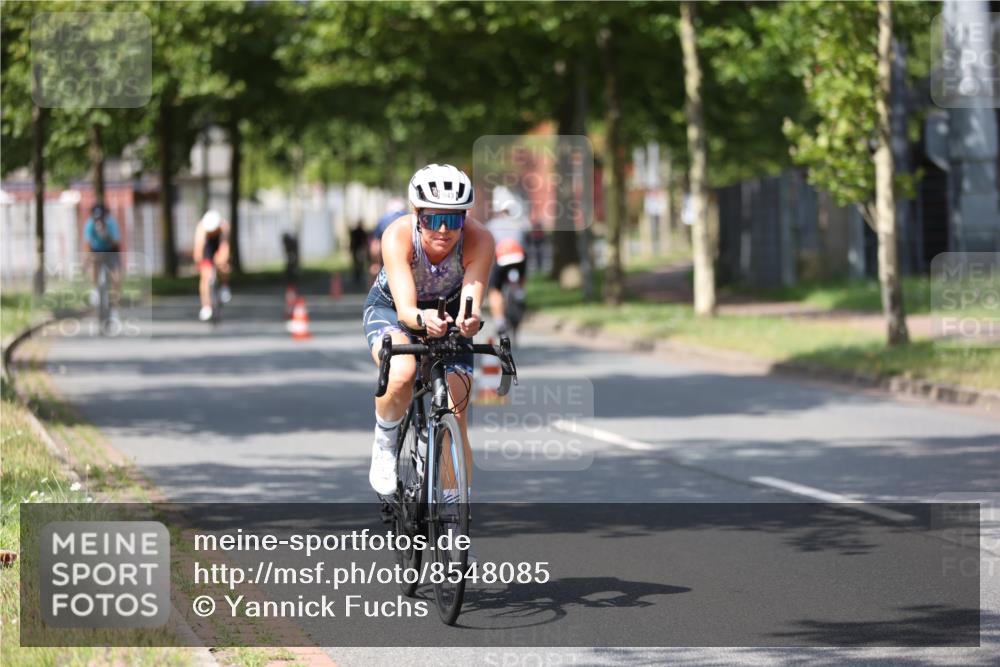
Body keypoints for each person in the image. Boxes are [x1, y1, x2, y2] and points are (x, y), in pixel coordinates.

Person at [363, 164, 493, 496]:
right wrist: (421, 321)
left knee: (456, 409)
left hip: (445, 314)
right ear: (417, 214)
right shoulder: (397, 234)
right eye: (434, 219)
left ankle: (454, 524)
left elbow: (471, 300)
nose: (444, 230)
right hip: (392, 308)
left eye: (454, 219)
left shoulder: (479, 239)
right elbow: (406, 311)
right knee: (402, 372)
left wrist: (470, 319)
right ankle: (385, 444)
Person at [485, 189, 529, 335]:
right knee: (522, 273)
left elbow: (489, 245)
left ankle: (499, 321)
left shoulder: (492, 225)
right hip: (519, 257)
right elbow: (525, 241)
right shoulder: (519, 223)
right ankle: (520, 291)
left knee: (495, 289)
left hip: (502, 258)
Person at [82, 203, 122, 321]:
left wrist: (106, 235)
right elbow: (87, 244)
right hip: (96, 251)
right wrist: (87, 260)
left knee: (116, 278)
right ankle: (95, 289)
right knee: (93, 264)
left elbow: (116, 243)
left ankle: (115, 311)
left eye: (101, 218)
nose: (99, 220)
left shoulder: (112, 223)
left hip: (111, 251)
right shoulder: (89, 224)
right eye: (96, 218)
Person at [192, 210, 232, 321]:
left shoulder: (224, 227)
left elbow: (225, 247)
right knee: (205, 276)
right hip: (208, 246)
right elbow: (198, 249)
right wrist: (199, 264)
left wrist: (222, 260)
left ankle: (224, 286)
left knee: (224, 266)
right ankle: (206, 306)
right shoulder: (201, 228)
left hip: (218, 244)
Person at [368, 197, 408, 283]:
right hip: (409, 260)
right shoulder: (409, 218)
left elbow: (375, 247)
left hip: (387, 260)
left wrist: (375, 262)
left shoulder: (382, 221)